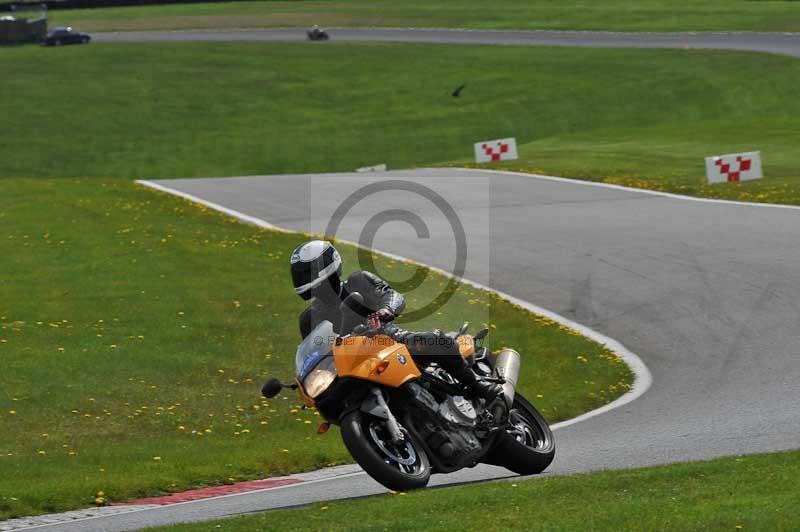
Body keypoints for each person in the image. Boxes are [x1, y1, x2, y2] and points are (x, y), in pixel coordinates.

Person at [290, 240, 501, 400]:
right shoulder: (308, 318)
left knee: (434, 339)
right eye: (300, 274)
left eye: (308, 272)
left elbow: (392, 296)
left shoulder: (358, 281)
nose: (305, 279)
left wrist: (385, 311)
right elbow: (316, 355)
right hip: (353, 366)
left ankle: (476, 386)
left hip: (388, 342)